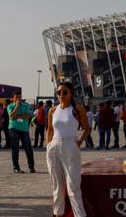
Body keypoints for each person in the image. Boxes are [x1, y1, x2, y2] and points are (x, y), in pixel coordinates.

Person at [47, 82, 90, 217]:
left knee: (73, 187)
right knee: (57, 187)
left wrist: (79, 141)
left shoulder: (77, 109)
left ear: (71, 93)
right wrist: (48, 145)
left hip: (70, 145)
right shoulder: (53, 110)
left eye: (64, 92)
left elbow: (87, 128)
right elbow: (50, 129)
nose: (61, 95)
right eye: (59, 92)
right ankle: (58, 214)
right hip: (54, 147)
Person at [7, 92, 35, 173]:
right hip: (13, 129)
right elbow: (11, 117)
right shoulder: (10, 106)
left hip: (24, 130)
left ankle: (31, 167)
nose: (18, 99)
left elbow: (29, 116)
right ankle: (16, 168)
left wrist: (17, 116)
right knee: (15, 149)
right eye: (16, 97)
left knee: (28, 149)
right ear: (13, 98)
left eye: (19, 97)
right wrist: (16, 107)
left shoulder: (26, 106)